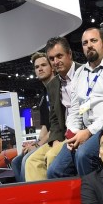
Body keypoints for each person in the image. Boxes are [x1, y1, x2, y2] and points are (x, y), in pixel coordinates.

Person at [47, 27, 103, 178]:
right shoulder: (80, 73)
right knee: (55, 171)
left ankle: (95, 199)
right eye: (84, 43)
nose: (89, 45)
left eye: (93, 41)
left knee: (84, 155)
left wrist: (89, 132)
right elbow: (75, 109)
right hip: (87, 132)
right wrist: (73, 134)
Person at [25, 36, 79, 181]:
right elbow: (54, 119)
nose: (56, 61)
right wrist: (55, 140)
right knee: (31, 161)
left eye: (59, 56)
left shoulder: (85, 73)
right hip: (62, 137)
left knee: (51, 157)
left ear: (69, 54)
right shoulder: (53, 85)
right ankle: (40, 202)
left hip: (82, 133)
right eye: (52, 58)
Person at [11, 53, 54, 182]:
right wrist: (35, 143)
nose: (40, 69)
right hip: (48, 138)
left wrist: (39, 144)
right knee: (16, 161)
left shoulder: (58, 89)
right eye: (37, 67)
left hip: (58, 138)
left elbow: (58, 126)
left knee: (27, 160)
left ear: (52, 67)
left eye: (43, 65)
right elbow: (46, 126)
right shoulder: (43, 95)